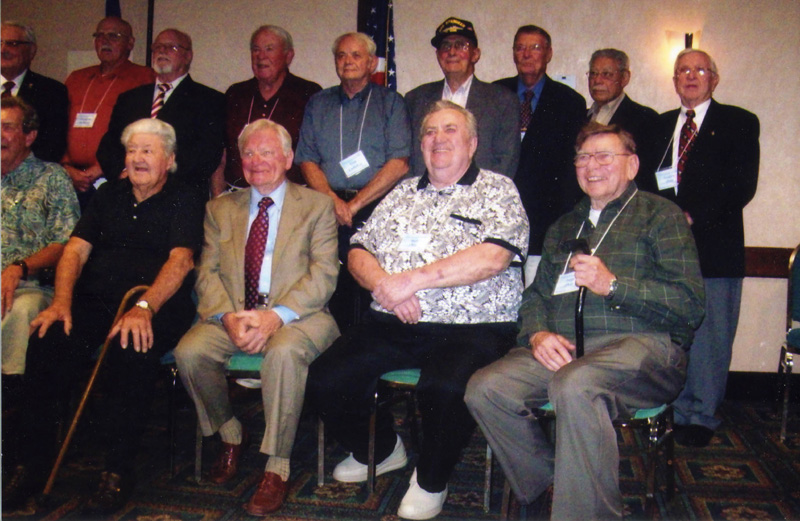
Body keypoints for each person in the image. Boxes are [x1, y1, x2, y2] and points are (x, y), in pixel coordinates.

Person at [466, 122, 705, 520]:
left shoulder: (660, 216)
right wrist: (538, 333)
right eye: (583, 157)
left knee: (576, 384)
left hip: (644, 347)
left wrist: (613, 285)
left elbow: (691, 304)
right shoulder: (564, 227)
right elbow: (536, 297)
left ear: (632, 166)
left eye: (604, 156)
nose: (591, 166)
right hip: (567, 349)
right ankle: (554, 481)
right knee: (485, 388)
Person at [307, 101, 528, 520]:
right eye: (429, 132)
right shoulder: (403, 191)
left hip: (472, 325)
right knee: (323, 378)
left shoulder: (498, 190)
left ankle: (431, 479)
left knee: (443, 389)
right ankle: (382, 449)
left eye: (450, 130)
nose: (438, 139)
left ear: (473, 143)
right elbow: (358, 248)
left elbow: (493, 258)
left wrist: (414, 280)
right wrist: (385, 286)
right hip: (393, 317)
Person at [1, 118, 204, 515]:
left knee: (131, 351)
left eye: (148, 151)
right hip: (95, 300)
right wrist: (61, 302)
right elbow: (74, 251)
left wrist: (144, 309)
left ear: (170, 159)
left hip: (155, 303)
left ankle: (117, 470)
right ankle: (31, 464)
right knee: (46, 340)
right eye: (133, 151)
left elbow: (181, 260)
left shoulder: (186, 196)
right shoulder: (109, 194)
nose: (138, 158)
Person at [174, 119, 339, 516]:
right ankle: (231, 432)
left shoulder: (316, 205)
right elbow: (207, 272)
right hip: (233, 314)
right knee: (189, 352)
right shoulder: (219, 208)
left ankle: (276, 467)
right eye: (248, 153)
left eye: (267, 152)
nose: (257, 161)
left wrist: (275, 317)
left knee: (282, 356)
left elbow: (324, 275)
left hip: (300, 315)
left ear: (287, 158)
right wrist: (228, 316)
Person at [639, 49, 759, 447]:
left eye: (699, 70)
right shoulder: (658, 126)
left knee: (711, 334)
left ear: (714, 78)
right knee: (671, 330)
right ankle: (672, 406)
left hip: (714, 248)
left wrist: (690, 218)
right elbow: (646, 186)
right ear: (674, 81)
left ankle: (701, 416)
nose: (690, 77)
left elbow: (741, 186)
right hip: (664, 250)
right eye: (682, 71)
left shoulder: (739, 122)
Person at [295, 32, 411, 331]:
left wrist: (355, 204)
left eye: (356, 55)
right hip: (326, 206)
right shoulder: (318, 103)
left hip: (376, 206)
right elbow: (306, 159)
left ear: (372, 62)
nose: (348, 61)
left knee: (370, 285)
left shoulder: (391, 103)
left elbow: (399, 163)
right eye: (341, 56)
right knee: (329, 283)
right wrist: (334, 201)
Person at [495, 25, 586, 284]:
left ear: (549, 54)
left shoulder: (570, 102)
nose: (527, 54)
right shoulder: (495, 94)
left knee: (537, 302)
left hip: (546, 224)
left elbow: (570, 171)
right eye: (520, 48)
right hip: (500, 221)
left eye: (535, 47)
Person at [1, 97, 79, 388]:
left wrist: (19, 267)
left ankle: (10, 393)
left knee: (20, 311)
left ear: (29, 136)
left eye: (7, 127)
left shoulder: (52, 177)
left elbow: (66, 243)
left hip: (32, 286)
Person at [97, 28, 225, 196]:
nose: (162, 51)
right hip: (128, 192)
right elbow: (109, 146)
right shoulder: (129, 98)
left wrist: (156, 179)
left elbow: (206, 156)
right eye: (157, 47)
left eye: (171, 47)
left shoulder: (209, 100)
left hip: (178, 197)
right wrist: (125, 175)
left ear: (188, 56)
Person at [405, 17, 519, 178]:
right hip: (427, 198)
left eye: (461, 45)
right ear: (438, 55)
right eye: (446, 46)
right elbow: (406, 160)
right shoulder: (415, 100)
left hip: (481, 198)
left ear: (475, 54)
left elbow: (507, 161)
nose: (452, 52)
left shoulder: (503, 100)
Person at [62, 16, 155, 208]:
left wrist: (102, 168)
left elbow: (146, 132)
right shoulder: (76, 78)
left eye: (114, 36)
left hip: (115, 177)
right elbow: (58, 126)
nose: (105, 41)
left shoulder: (144, 78)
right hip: (70, 178)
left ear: (130, 43)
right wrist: (67, 168)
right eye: (100, 36)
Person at [217, 25, 321, 194]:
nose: (261, 56)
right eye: (256, 50)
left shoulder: (308, 93)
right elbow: (222, 154)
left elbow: (315, 156)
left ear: (288, 56)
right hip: (238, 197)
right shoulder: (236, 94)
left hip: (291, 200)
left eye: (269, 49)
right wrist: (218, 199)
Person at [586, 48, 659, 179]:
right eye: (593, 73)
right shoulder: (577, 116)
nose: (597, 80)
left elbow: (645, 173)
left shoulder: (646, 119)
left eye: (606, 74)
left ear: (624, 78)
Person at [1, 21, 68, 163]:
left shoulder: (52, 92)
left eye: (12, 44)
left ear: (31, 51)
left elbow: (52, 146)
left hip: (29, 178)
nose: (3, 50)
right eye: (0, 43)